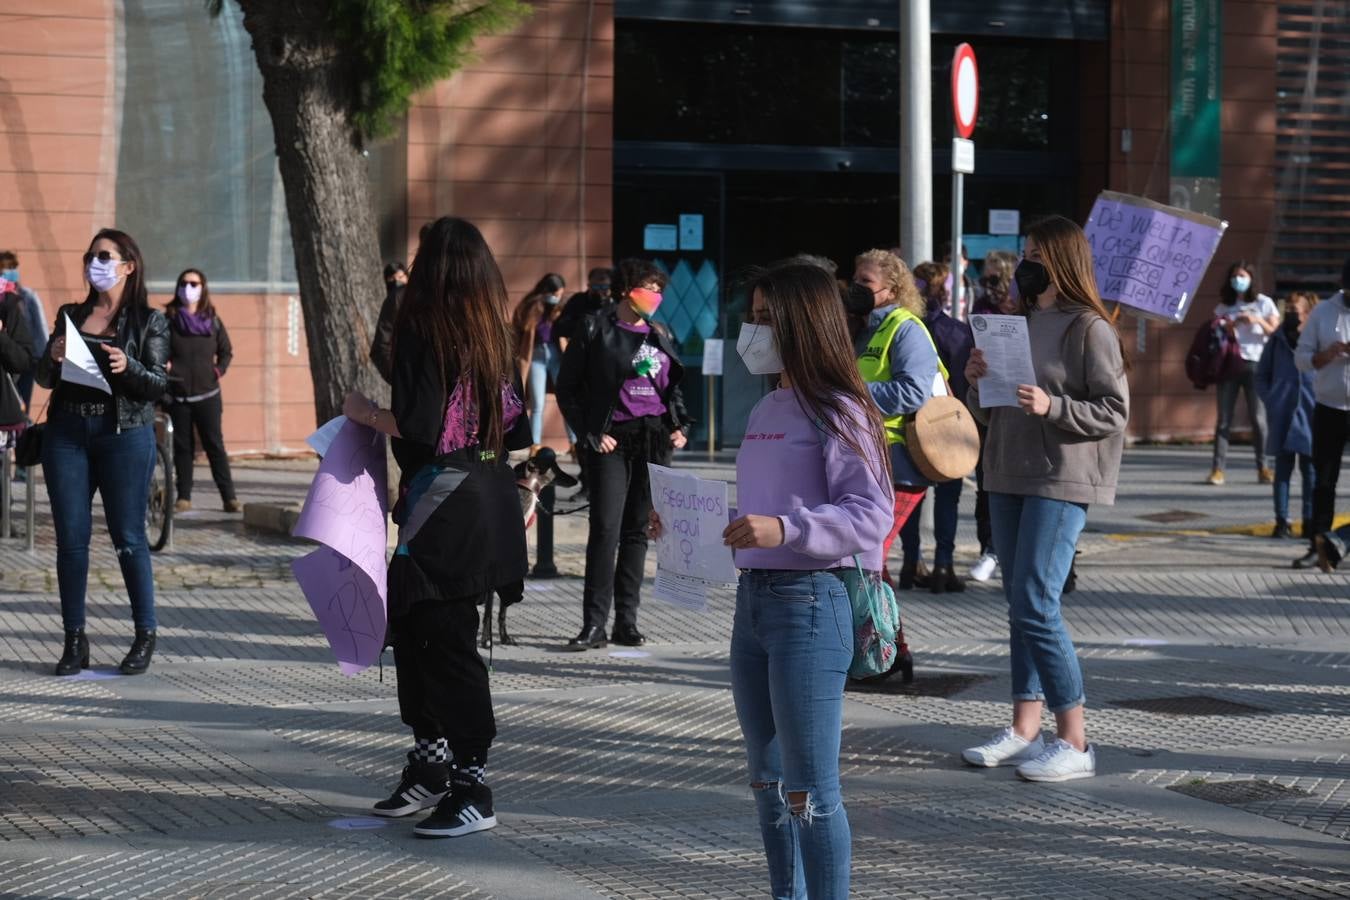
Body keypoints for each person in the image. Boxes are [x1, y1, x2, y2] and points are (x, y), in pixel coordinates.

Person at [651, 261, 892, 900]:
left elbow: (870, 515)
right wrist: (694, 525)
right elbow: (758, 517)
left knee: (810, 785)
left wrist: (784, 530)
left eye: (765, 318)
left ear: (802, 325)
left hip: (813, 603)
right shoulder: (769, 405)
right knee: (766, 777)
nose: (751, 331)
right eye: (750, 317)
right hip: (754, 604)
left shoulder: (841, 410)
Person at [343, 217, 531, 838]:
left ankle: (472, 782)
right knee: (426, 633)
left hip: (445, 504)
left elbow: (420, 425)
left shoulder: (425, 329)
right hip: (485, 499)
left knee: (441, 642)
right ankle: (431, 766)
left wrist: (364, 412)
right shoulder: (495, 335)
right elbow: (519, 432)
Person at [961, 215, 1129, 782]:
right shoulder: (1016, 323)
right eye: (1024, 250)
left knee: (1036, 600)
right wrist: (975, 378)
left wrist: (1052, 407)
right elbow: (988, 409)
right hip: (1006, 471)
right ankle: (1024, 729)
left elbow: (1114, 411)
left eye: (1036, 252)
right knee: (1020, 604)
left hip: (1061, 476)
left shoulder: (1090, 328)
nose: (1026, 260)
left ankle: (1075, 741)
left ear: (1062, 260)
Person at [36, 229, 169, 677]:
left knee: (128, 538)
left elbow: (157, 384)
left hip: (123, 434)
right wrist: (53, 356)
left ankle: (143, 634)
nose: (96, 263)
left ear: (128, 265)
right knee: (71, 541)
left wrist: (127, 366)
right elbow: (42, 377)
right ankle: (74, 639)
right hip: (67, 432)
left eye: (105, 256)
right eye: (91, 255)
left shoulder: (151, 321)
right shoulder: (70, 314)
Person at [556, 258, 691, 650]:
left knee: (637, 531)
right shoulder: (595, 327)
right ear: (626, 290)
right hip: (610, 440)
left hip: (652, 439)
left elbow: (673, 388)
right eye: (647, 287)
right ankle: (593, 624)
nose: (655, 296)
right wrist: (589, 434)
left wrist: (679, 425)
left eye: (658, 289)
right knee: (605, 529)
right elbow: (567, 389)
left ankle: (625, 622)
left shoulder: (660, 333)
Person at [851, 249, 940, 590]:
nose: (856, 287)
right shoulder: (862, 329)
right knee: (867, 562)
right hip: (867, 458)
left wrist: (853, 394)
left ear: (892, 290)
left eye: (866, 282)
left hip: (899, 462)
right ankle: (890, 643)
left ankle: (885, 643)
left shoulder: (906, 329)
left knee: (869, 560)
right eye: (856, 278)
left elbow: (913, 392)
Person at [897, 261, 974, 594]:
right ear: (945, 291)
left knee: (913, 497)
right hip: (949, 427)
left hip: (911, 426)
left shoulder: (902, 329)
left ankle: (910, 561)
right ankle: (944, 563)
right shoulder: (956, 333)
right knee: (948, 498)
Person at [164, 269, 239, 513]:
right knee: (183, 448)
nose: (188, 288)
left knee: (214, 445)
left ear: (203, 287)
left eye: (194, 283)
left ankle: (229, 498)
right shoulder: (169, 320)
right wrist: (167, 368)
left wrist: (217, 371)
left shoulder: (213, 320)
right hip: (179, 395)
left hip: (208, 395)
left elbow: (226, 351)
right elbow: (158, 351)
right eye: (184, 283)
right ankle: (183, 497)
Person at [1295, 258, 1350, 573]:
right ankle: (1319, 546)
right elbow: (1301, 358)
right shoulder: (1323, 312)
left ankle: (1340, 542)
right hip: (1328, 407)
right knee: (1323, 482)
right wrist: (1324, 356)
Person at [968, 251, 1019, 581]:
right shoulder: (981, 307)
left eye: (991, 271)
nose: (986, 277)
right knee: (986, 483)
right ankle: (990, 548)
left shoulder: (1029, 311)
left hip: (1025, 407)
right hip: (990, 404)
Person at [1255, 293, 1318, 554]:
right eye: (1288, 309)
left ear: (1307, 312)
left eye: (1296, 309)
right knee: (1282, 471)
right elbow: (1261, 375)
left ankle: (1309, 521)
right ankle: (1282, 521)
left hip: (1310, 412)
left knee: (1310, 471)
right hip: (1282, 411)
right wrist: (1271, 399)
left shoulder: (1316, 338)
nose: (1291, 314)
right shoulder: (1277, 339)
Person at [1208, 261, 1280, 486]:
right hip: (1230, 364)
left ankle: (1264, 467)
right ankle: (1218, 469)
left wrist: (1256, 319)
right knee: (1223, 420)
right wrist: (1229, 326)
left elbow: (1275, 332)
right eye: (1234, 276)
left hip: (1255, 364)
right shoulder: (1224, 306)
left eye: (1241, 276)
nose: (1237, 280)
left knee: (1258, 419)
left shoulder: (1263, 303)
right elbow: (1215, 331)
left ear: (1250, 278)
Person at [511, 273, 576, 449]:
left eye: (560, 294)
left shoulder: (563, 307)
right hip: (535, 355)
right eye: (555, 294)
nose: (557, 298)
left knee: (565, 399)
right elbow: (520, 329)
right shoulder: (531, 306)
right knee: (537, 403)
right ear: (545, 291)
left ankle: (574, 444)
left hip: (557, 354)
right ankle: (535, 445)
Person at [0, 250, 47, 410]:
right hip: (8, 355)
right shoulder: (4, 298)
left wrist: (43, 356)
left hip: (29, 357)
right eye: (7, 268)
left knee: (23, 403)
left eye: (14, 267)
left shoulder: (27, 295)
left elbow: (40, 326)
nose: (12, 272)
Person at [371, 260, 409, 385]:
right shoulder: (395, 300)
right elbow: (381, 347)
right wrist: (401, 382)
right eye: (391, 279)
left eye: (399, 277)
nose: (396, 282)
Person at [553, 266, 613, 344]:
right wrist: (582, 326)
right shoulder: (577, 300)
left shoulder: (614, 304)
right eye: (595, 287)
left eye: (604, 287)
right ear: (589, 286)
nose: (599, 292)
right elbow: (560, 327)